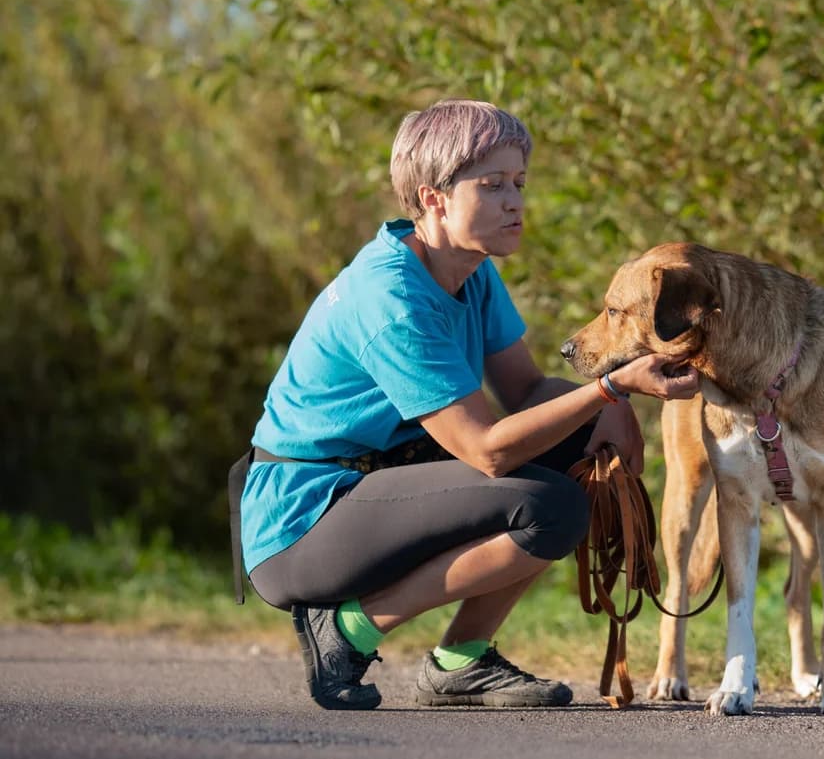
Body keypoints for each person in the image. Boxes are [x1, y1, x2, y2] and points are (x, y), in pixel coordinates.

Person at [240, 99, 701, 711]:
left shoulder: (471, 270)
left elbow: (524, 393)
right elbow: (486, 450)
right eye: (491, 185)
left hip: (380, 485)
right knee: (552, 508)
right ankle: (346, 631)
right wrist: (610, 390)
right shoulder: (391, 297)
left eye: (519, 183)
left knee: (571, 447)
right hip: (305, 518)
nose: (515, 201)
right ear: (433, 198)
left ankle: (460, 662)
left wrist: (605, 411)